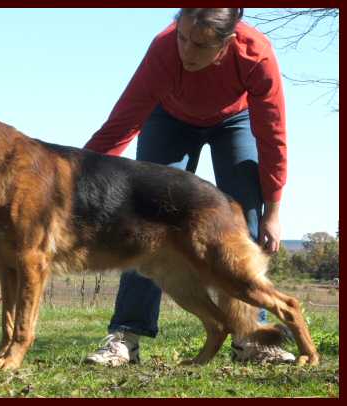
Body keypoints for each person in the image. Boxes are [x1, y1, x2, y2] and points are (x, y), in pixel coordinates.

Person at [83, 8, 295, 366]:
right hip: (169, 119)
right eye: (182, 37)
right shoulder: (164, 49)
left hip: (234, 120)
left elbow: (272, 137)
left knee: (247, 216)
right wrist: (77, 176)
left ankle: (252, 340)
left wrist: (273, 211)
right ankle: (126, 336)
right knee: (145, 222)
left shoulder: (255, 54)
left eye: (198, 44)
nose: (186, 51)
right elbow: (122, 123)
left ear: (225, 43)